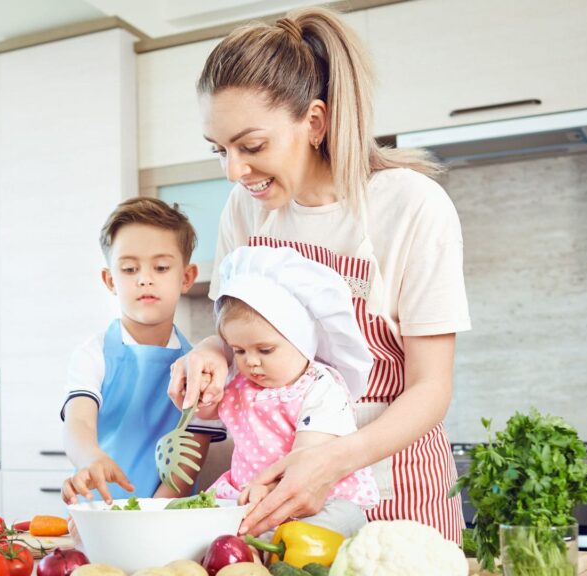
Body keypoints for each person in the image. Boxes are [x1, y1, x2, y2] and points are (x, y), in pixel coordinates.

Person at [168, 6, 471, 543]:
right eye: (220, 150)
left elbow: (431, 388)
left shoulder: (410, 206)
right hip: (274, 496)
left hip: (393, 489)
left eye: (252, 146)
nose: (235, 171)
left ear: (314, 121)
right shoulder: (245, 208)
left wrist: (333, 461)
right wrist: (212, 351)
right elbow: (234, 326)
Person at [204, 246, 379, 537]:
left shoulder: (321, 387)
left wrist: (270, 490)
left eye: (265, 349)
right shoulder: (242, 385)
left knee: (329, 524)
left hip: (318, 500)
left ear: (302, 341)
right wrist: (203, 393)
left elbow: (307, 454)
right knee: (206, 529)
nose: (251, 361)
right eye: (239, 350)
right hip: (250, 497)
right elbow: (209, 413)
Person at [61, 197, 225, 506]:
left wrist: (150, 516)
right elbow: (78, 424)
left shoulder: (201, 370)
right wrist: (91, 456)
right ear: (110, 280)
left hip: (164, 517)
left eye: (161, 267)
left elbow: (187, 465)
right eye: (129, 268)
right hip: (96, 514)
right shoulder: (92, 354)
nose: (144, 278)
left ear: (186, 277)